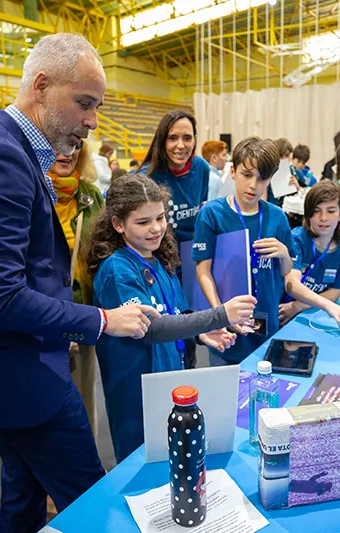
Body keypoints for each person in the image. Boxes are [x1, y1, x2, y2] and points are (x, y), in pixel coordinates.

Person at [0, 34, 161, 533]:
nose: (92, 121)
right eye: (85, 103)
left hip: (14, 361)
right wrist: (102, 319)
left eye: (97, 107)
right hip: (18, 369)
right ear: (42, 86)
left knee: (22, 494)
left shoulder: (10, 148)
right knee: (90, 500)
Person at [88, 174, 256, 461]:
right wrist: (219, 316)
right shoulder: (118, 271)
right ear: (118, 224)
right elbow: (150, 328)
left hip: (170, 380)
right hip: (137, 394)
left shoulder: (159, 257)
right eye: (142, 222)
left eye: (160, 218)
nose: (155, 229)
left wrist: (199, 333)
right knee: (141, 464)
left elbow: (176, 313)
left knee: (173, 459)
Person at [192, 137, 294, 366]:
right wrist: (220, 314)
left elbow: (286, 272)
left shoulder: (277, 216)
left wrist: (284, 254)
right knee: (223, 390)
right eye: (247, 175)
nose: (253, 185)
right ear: (233, 171)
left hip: (267, 323)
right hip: (225, 326)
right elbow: (203, 271)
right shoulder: (212, 214)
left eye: (262, 179)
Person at [47, 141, 104, 438]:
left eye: (75, 145)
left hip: (84, 315)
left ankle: (87, 476)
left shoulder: (90, 195)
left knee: (84, 399)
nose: (67, 152)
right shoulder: (32, 193)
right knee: (48, 404)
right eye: (57, 145)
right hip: (44, 318)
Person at [279, 181, 340, 326]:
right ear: (308, 214)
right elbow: (291, 284)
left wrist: (299, 306)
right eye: (316, 210)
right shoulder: (296, 239)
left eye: (331, 210)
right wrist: (327, 305)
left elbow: (334, 292)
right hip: (281, 312)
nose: (323, 218)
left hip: (309, 313)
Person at [140, 110, 210, 247]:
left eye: (187, 138)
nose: (181, 145)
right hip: (160, 254)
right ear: (162, 141)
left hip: (192, 251)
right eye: (172, 138)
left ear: (195, 140)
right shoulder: (147, 178)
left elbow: (201, 208)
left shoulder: (202, 168)